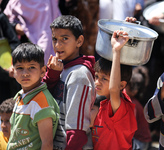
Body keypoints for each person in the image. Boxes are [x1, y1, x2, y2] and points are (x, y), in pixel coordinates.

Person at [42, 15, 96, 150]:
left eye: (64, 39)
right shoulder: (60, 67)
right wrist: (52, 75)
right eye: (55, 39)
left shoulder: (79, 75)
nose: (58, 45)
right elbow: (42, 99)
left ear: (79, 41)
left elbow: (77, 129)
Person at [6, 43, 60, 150]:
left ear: (43, 71)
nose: (25, 73)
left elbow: (47, 143)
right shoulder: (20, 95)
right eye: (20, 68)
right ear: (13, 70)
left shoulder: (41, 102)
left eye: (31, 67)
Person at [91, 30, 137, 150]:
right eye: (96, 76)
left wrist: (116, 50)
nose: (97, 82)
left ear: (122, 85)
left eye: (104, 78)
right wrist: (128, 30)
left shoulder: (119, 106)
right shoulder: (105, 102)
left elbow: (114, 89)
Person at [125, 66, 152, 150]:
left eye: (126, 86)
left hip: (140, 142)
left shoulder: (133, 104)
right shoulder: (134, 102)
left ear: (134, 90)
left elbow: (129, 129)